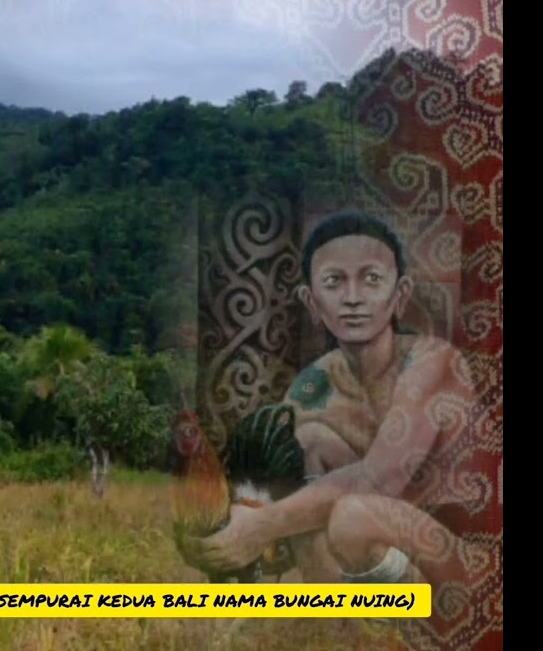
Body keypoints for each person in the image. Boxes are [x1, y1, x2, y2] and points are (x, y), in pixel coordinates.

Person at [184, 209, 498, 647]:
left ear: (399, 294)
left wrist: (263, 527)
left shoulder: (432, 362)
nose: (353, 298)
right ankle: (344, 633)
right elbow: (288, 489)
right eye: (334, 282)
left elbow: (378, 481)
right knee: (307, 444)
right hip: (393, 561)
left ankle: (423, 639)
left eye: (371, 279)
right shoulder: (315, 385)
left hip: (480, 575)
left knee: (353, 515)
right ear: (312, 302)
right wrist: (244, 533)